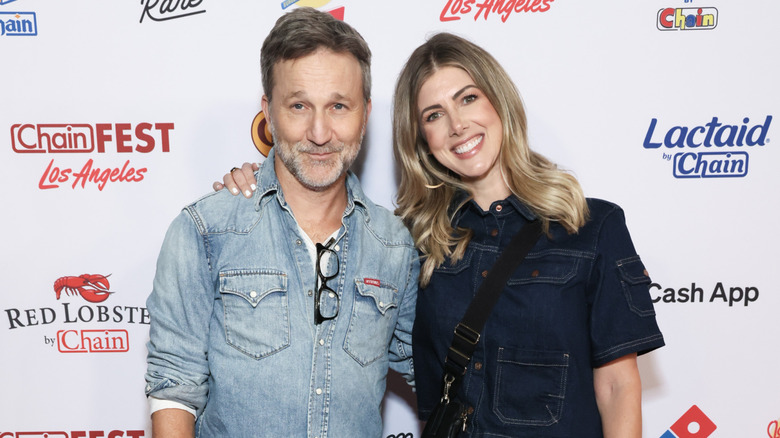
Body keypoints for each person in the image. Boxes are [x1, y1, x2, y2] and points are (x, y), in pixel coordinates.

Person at [222, 32, 665, 437]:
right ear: (421, 139)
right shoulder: (406, 243)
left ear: (499, 102)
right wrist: (257, 184)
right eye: (435, 115)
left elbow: (618, 389)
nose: (457, 125)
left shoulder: (591, 227)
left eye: (468, 98)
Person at [145, 8, 419, 437]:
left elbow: (438, 371)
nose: (319, 132)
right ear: (268, 113)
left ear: (365, 113)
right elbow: (174, 387)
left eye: (338, 106)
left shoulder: (396, 246)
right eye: (298, 105)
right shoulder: (206, 230)